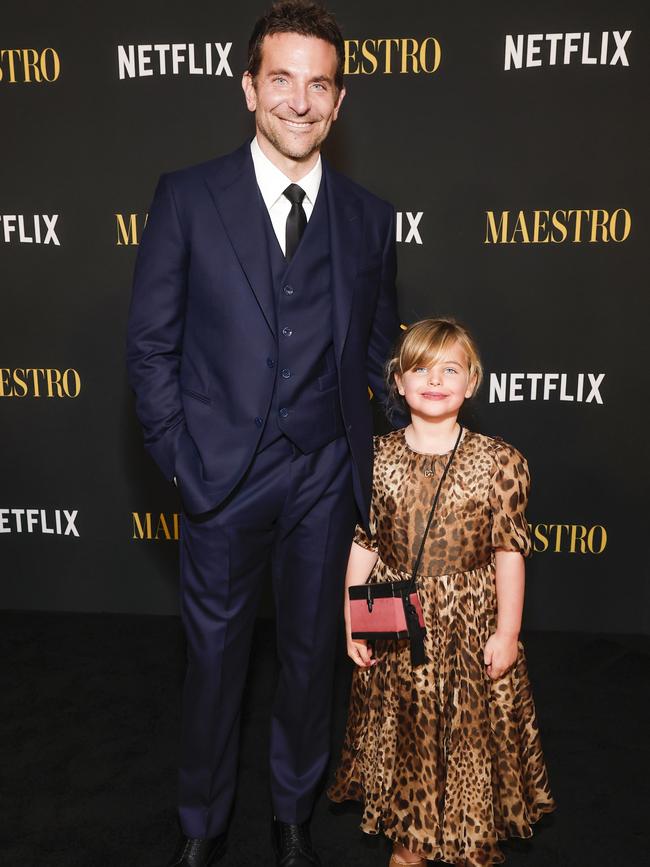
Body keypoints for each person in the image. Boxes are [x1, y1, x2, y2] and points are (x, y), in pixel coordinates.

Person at [126, 2, 401, 865]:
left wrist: (399, 471)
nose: (299, 100)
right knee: (213, 663)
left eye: (318, 84)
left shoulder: (367, 216)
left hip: (325, 472)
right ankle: (202, 822)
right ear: (249, 87)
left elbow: (380, 344)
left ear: (339, 100)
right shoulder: (186, 196)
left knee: (312, 655)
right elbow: (150, 346)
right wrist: (182, 457)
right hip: (221, 477)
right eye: (280, 79)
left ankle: (293, 810)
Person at [328, 319, 556, 867]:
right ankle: (409, 842)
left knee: (468, 732)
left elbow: (509, 553)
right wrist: (350, 615)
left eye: (450, 368)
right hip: (399, 630)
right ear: (398, 383)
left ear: (472, 382)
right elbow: (365, 542)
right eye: (420, 369)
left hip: (471, 626)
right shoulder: (374, 458)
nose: (436, 380)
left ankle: (470, 838)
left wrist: (508, 631)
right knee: (407, 726)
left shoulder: (501, 462)